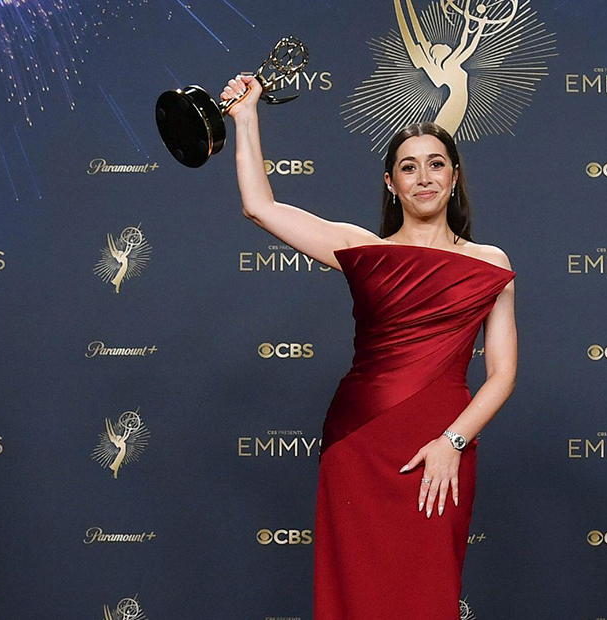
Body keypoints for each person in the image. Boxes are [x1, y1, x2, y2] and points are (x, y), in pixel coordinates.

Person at [221, 73, 518, 619]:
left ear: (454, 177)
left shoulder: (490, 263)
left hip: (443, 446)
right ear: (390, 182)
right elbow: (260, 206)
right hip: (358, 444)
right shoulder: (362, 248)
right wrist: (246, 117)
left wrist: (452, 442)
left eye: (436, 164)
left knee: (427, 594)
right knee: (356, 597)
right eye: (409, 166)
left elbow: (501, 374)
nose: (423, 177)